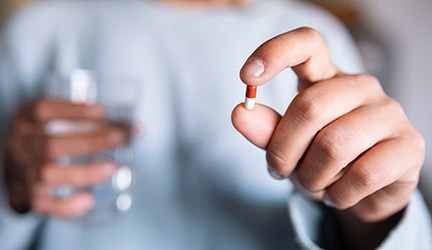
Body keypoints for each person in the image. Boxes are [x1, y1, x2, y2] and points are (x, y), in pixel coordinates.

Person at [0, 0, 431, 249]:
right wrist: (10, 186)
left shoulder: (316, 38)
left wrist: (378, 217)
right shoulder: (41, 33)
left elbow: (378, 216)